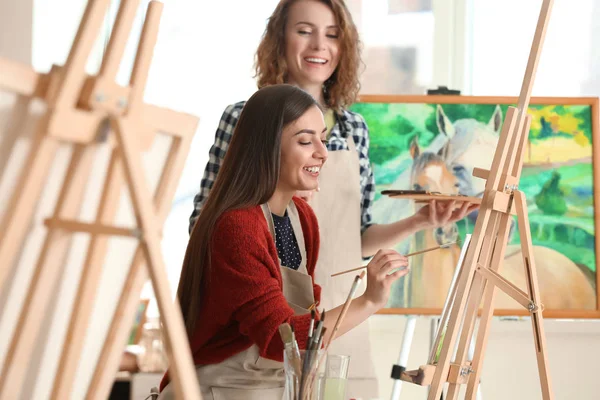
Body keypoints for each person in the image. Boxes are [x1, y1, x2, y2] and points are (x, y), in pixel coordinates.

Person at [189, 1, 477, 397]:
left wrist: (420, 222)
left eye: (332, 34)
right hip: (255, 335)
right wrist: (256, 262)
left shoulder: (350, 134)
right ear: (279, 39)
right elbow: (207, 227)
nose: (318, 44)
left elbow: (355, 235)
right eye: (304, 30)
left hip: (333, 312)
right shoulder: (245, 124)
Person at [158, 84, 409, 399]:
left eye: (322, 137)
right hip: (215, 391)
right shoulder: (236, 227)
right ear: (266, 147)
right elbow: (282, 339)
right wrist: (368, 301)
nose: (321, 151)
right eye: (305, 140)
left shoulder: (302, 219)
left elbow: (303, 324)